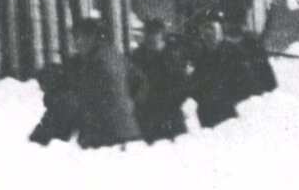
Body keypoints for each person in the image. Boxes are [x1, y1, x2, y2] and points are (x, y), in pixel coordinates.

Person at [29, 16, 141, 149]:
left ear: (91, 37)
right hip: (129, 131)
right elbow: (140, 84)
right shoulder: (114, 55)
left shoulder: (93, 63)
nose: (74, 42)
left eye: (77, 36)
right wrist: (127, 104)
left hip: (104, 137)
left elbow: (74, 99)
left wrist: (39, 138)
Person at [185, 11, 259, 129]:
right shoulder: (200, 56)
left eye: (212, 28)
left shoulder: (233, 52)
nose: (208, 33)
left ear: (221, 31)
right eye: (204, 29)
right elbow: (194, 88)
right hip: (207, 119)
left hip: (229, 117)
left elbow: (248, 85)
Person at [130, 18, 189, 142]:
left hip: (170, 116)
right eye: (147, 33)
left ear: (162, 36)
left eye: (153, 33)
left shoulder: (172, 56)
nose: (149, 37)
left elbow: (182, 87)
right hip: (147, 117)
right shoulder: (137, 56)